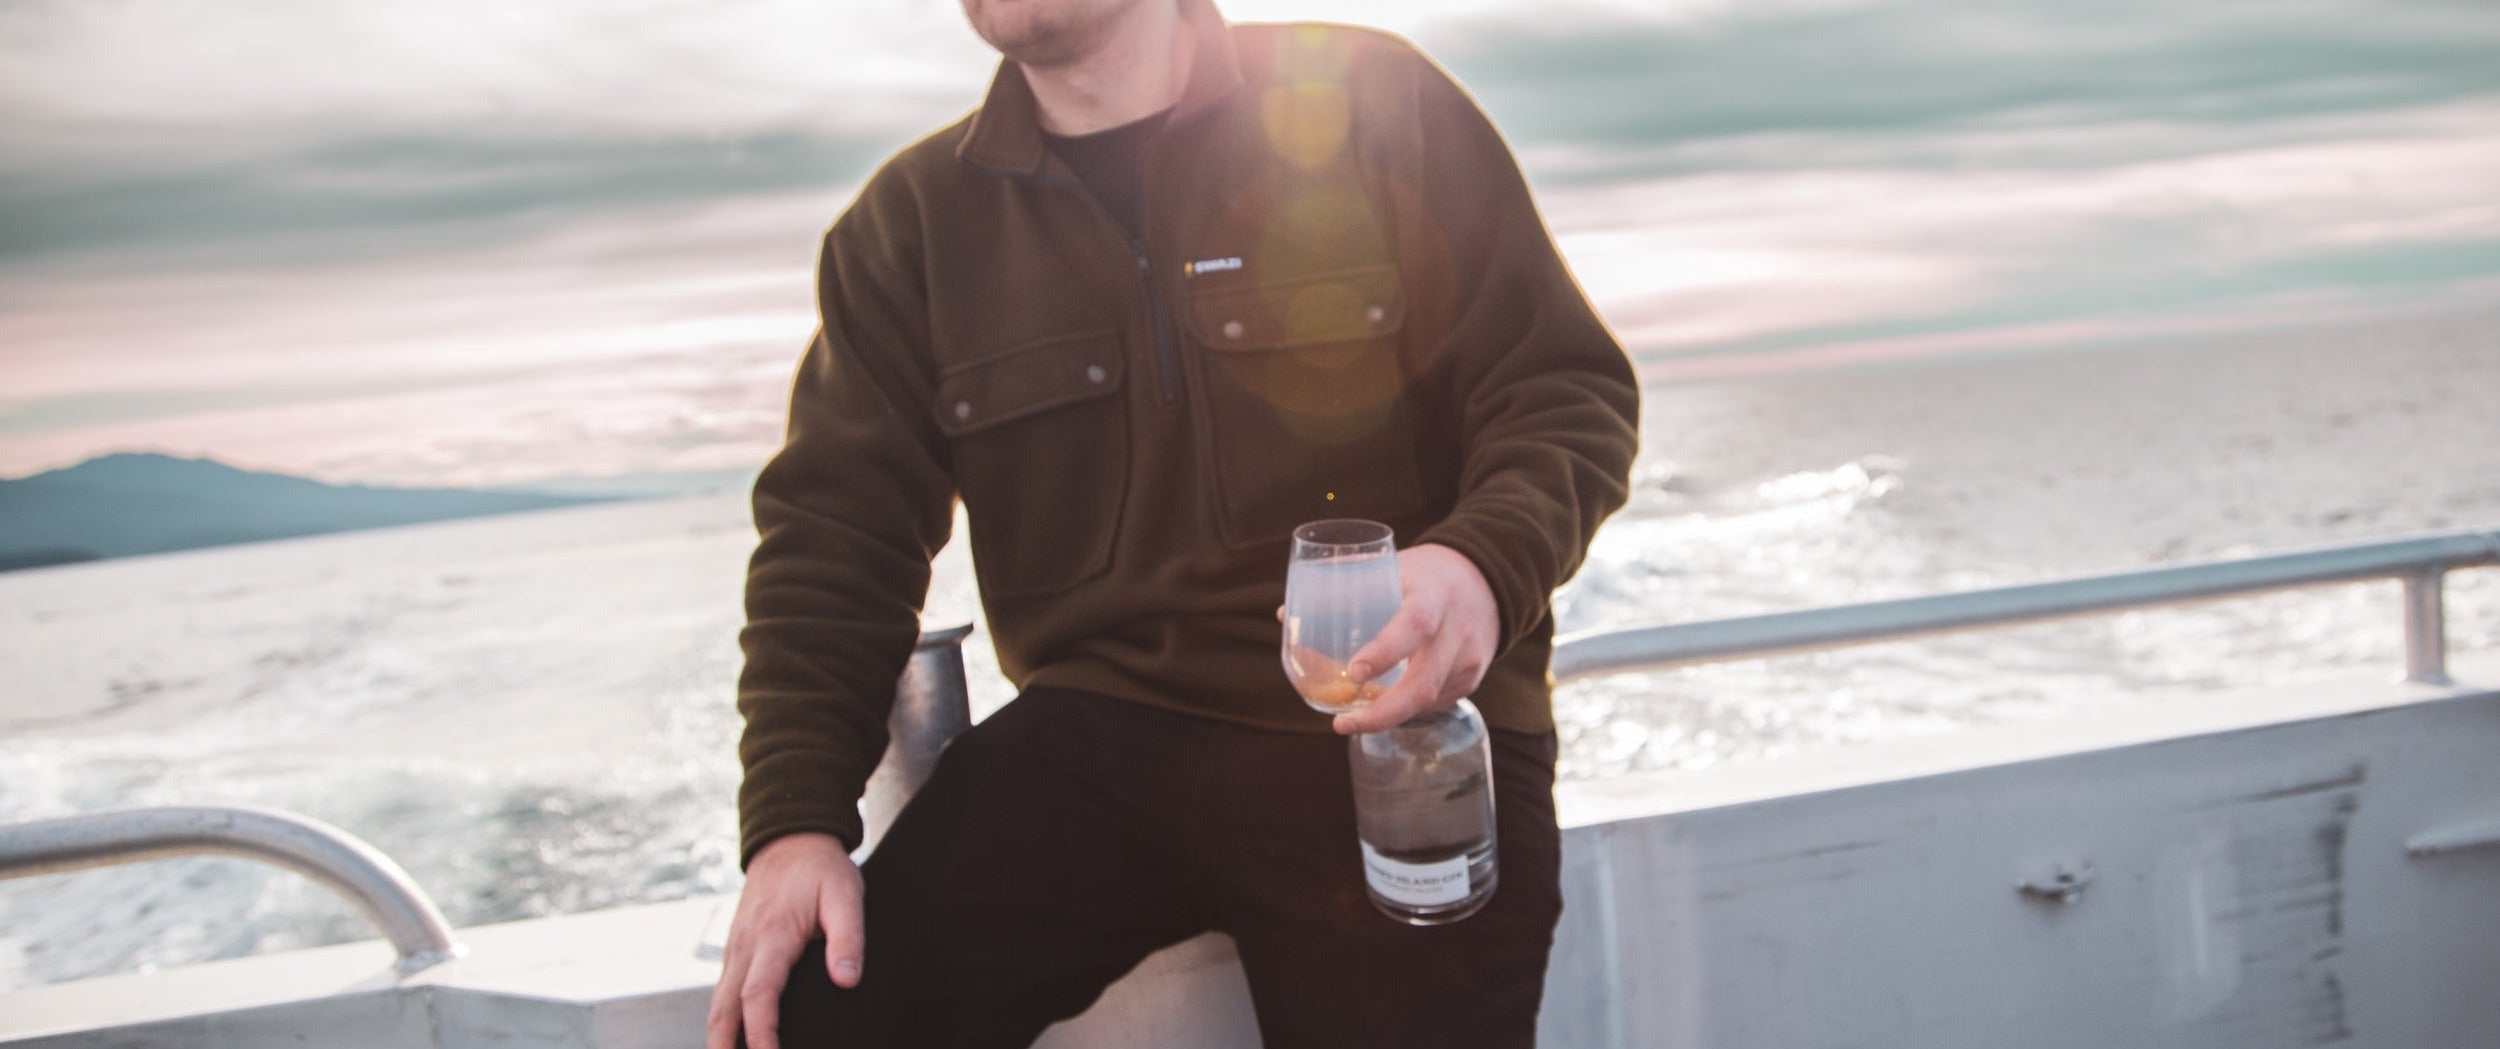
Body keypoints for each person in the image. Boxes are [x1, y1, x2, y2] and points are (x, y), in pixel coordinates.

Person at [707, 0, 1638, 1045]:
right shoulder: (911, 226)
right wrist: (792, 825)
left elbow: (1561, 392)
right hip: (1095, 740)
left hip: (1395, 728)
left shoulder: (1375, 101)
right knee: (801, 1027)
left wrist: (1480, 565)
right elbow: (833, 540)